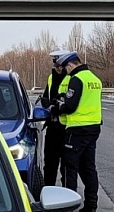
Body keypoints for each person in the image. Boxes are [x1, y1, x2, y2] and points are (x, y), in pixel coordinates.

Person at [48, 51, 102, 212]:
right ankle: (91, 205)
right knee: (89, 168)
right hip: (93, 127)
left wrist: (56, 108)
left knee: (69, 167)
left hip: (76, 128)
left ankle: (67, 208)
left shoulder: (76, 79)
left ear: (70, 65)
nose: (66, 71)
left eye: (66, 68)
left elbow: (71, 106)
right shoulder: (94, 79)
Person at [40, 50, 69, 187]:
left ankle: (67, 197)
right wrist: (45, 102)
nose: (58, 68)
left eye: (60, 65)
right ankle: (48, 191)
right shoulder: (51, 78)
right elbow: (47, 96)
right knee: (50, 163)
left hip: (67, 127)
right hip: (52, 126)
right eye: (56, 65)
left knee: (67, 165)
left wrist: (56, 105)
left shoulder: (72, 78)